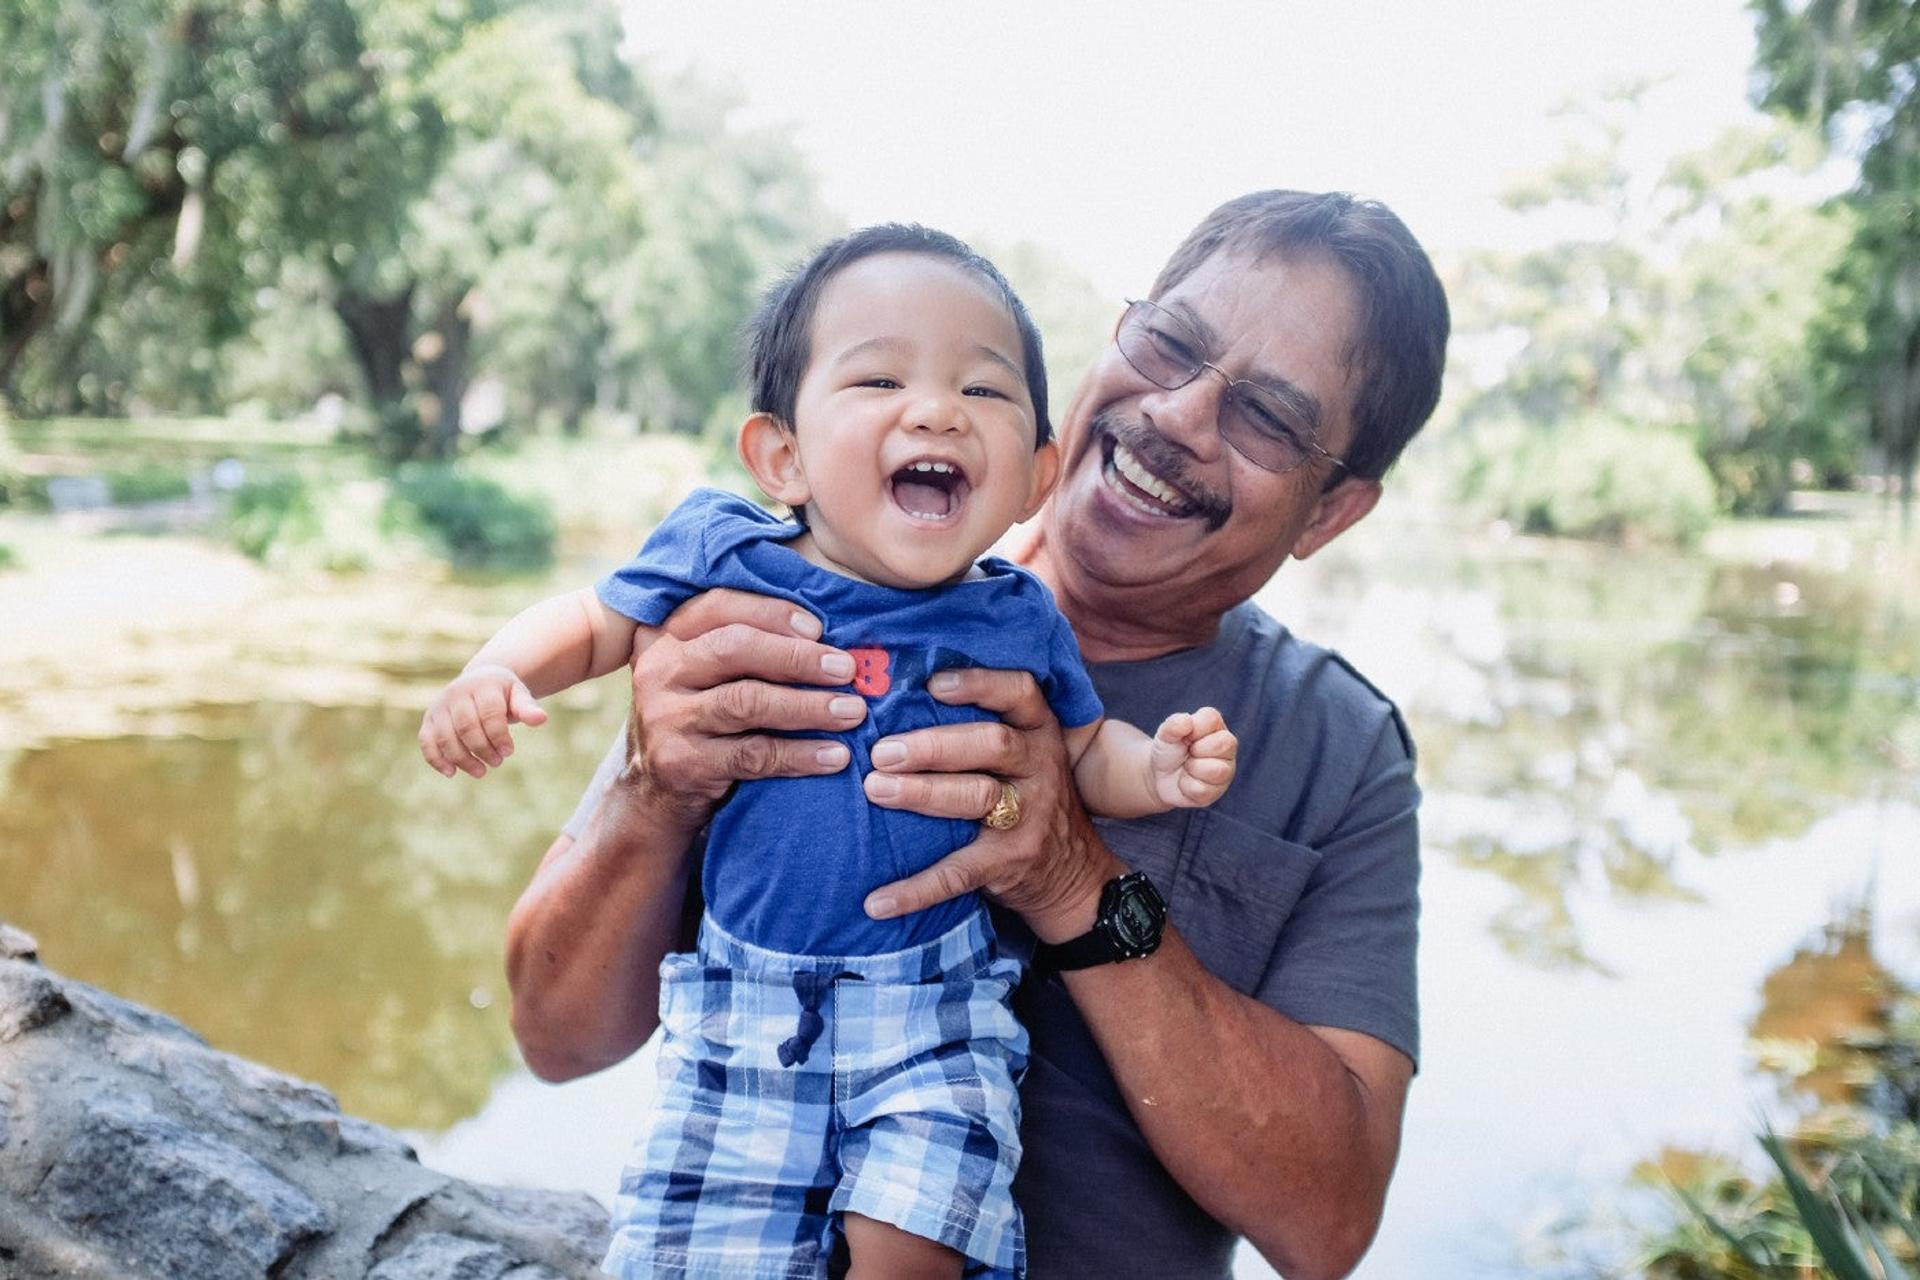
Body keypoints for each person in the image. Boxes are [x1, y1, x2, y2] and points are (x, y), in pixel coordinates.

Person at [505, 190, 1448, 1280]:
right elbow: (554, 1036)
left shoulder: (1342, 748)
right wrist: (654, 784)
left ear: (1330, 512)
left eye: (1269, 418)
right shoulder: (799, 590)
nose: (1181, 415)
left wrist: (1075, 878)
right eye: (1170, 343)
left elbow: (1327, 1224)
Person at [420, 224, 1238, 1279]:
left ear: (1035, 475)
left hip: (933, 1007)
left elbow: (1081, 758)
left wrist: (1156, 769)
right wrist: (495, 673)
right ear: (783, 457)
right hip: (742, 1008)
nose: (936, 410)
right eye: (880, 378)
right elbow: (590, 621)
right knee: (698, 1251)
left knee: (920, 1232)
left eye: (984, 390)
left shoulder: (1013, 616)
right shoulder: (725, 560)